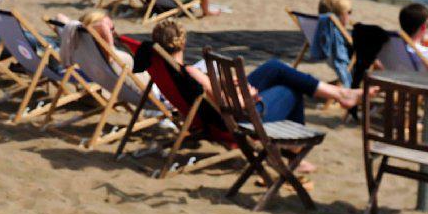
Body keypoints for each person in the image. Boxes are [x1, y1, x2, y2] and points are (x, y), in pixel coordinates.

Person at [152, 17, 359, 126]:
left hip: (214, 112)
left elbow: (208, 94)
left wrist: (226, 84)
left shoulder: (163, 69)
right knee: (290, 90)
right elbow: (227, 103)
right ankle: (293, 150)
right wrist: (247, 96)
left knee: (274, 67)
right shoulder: (189, 72)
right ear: (183, 42)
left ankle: (340, 94)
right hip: (236, 118)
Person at [311, 0, 354, 86]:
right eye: (349, 12)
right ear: (339, 15)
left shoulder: (321, 27)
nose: (350, 15)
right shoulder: (336, 35)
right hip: (344, 61)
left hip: (328, 57)